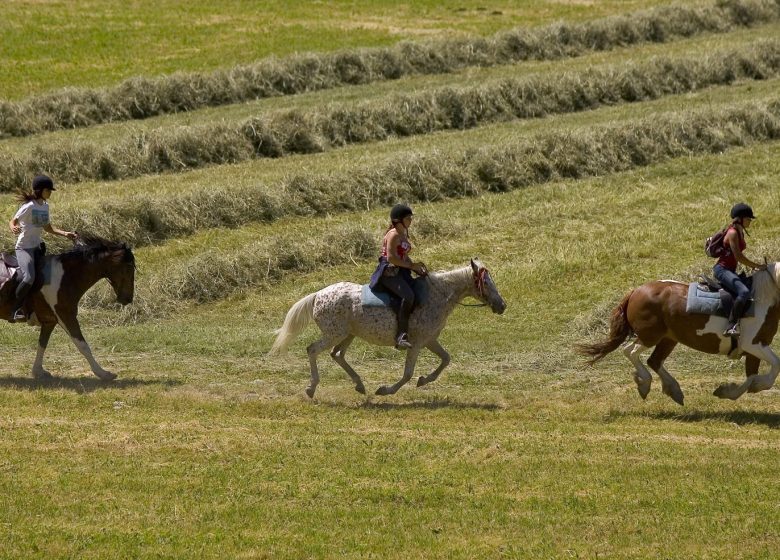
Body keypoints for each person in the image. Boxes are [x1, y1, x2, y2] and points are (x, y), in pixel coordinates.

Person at [7, 175, 77, 322]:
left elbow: (48, 228)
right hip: (24, 249)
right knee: (29, 277)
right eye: (48, 190)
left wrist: (66, 234)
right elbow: (13, 221)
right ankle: (14, 309)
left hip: (37, 248)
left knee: (46, 278)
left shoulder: (45, 206)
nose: (50, 193)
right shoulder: (29, 206)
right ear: (40, 190)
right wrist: (14, 227)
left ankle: (37, 308)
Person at [368, 203, 428, 349]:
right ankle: (400, 336)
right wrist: (411, 266)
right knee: (408, 296)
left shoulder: (404, 233)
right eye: (408, 218)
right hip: (389, 273)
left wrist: (415, 268)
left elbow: (403, 256)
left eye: (411, 218)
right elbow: (391, 258)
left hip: (401, 270)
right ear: (398, 221)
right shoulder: (393, 235)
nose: (411, 221)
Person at [713, 202, 765, 337]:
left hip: (730, 270)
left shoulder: (740, 231)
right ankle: (731, 326)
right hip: (722, 270)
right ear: (740, 219)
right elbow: (739, 256)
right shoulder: (732, 233)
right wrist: (757, 266)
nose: (750, 222)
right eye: (748, 219)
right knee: (744, 292)